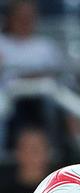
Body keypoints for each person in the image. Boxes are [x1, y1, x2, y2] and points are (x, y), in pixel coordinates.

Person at [0, 0, 66, 149]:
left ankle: (54, 148)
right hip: (8, 105)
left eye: (28, 17)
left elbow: (58, 77)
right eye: (20, 17)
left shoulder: (46, 46)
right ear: (10, 17)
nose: (24, 21)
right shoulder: (2, 43)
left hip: (43, 102)